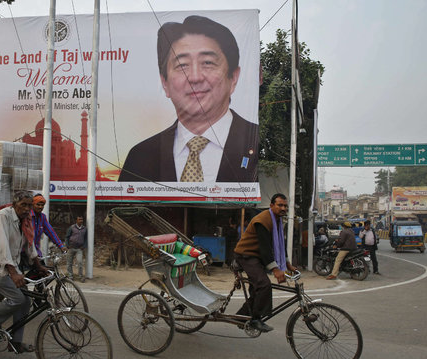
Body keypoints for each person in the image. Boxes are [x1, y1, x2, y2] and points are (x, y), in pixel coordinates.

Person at [118, 15, 259, 183]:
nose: (195, 77)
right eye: (182, 65)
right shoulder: (141, 156)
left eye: (207, 62)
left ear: (234, 78)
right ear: (165, 84)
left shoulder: (257, 142)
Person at [0, 190, 49, 353]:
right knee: (17, 298)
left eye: (29, 206)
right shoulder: (3, 216)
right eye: (23, 205)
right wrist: (14, 273)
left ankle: (15, 342)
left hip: (12, 268)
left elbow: (29, 245)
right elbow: (2, 246)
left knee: (26, 302)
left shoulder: (26, 219)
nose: (26, 209)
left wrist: (39, 265)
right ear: (14, 204)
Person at [233, 193, 298, 332]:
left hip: (256, 256)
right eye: (280, 205)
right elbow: (265, 248)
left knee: (257, 290)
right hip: (246, 255)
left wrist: (287, 265)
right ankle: (256, 319)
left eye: (285, 206)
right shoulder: (263, 220)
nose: (283, 208)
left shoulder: (277, 220)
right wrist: (276, 270)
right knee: (264, 285)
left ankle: (240, 317)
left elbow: (280, 244)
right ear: (271, 206)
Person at [30, 194, 67, 258]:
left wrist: (61, 246)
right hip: (26, 253)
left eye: (42, 205)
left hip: (36, 252)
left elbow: (51, 232)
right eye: (38, 205)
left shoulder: (42, 217)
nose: (40, 207)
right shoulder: (27, 216)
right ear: (33, 205)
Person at [65, 216, 88, 282]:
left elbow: (86, 238)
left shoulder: (84, 229)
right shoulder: (72, 228)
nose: (81, 220)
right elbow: (67, 237)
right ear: (76, 220)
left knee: (80, 262)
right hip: (71, 248)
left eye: (82, 219)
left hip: (79, 249)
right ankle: (70, 276)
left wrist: (84, 246)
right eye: (79, 219)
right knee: (69, 263)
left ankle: (80, 276)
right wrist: (67, 245)